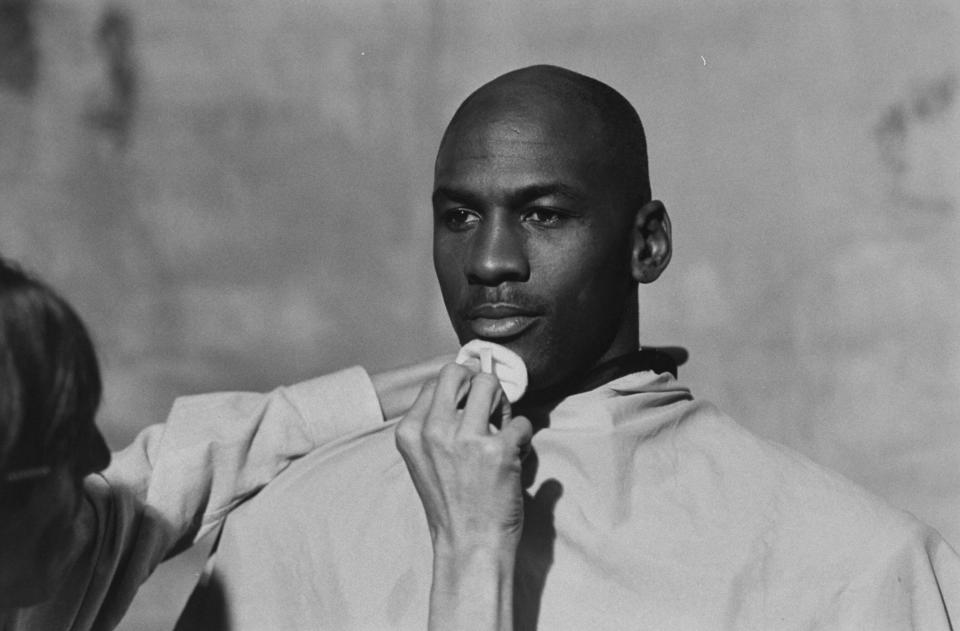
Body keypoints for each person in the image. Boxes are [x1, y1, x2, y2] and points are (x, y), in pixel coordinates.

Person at [174, 64, 960, 630]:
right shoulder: (295, 531)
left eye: (543, 214)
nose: (489, 262)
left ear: (646, 244)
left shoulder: (852, 565)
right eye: (459, 217)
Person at [0, 258, 446, 630]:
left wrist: (439, 378)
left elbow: (185, 465)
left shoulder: (45, 549)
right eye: (61, 441)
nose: (97, 458)